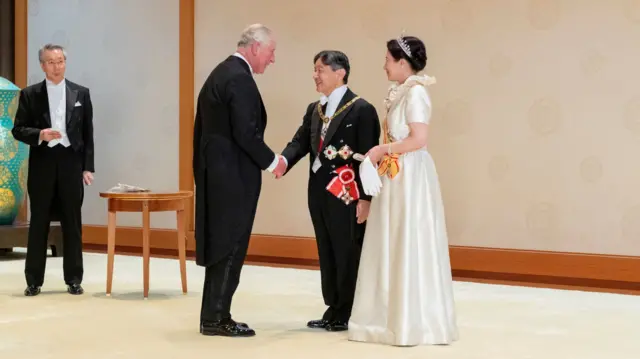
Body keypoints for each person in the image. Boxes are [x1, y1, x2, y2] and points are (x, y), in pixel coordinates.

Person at [347, 36, 459, 346]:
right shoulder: (400, 92)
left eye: (387, 59)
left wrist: (382, 149)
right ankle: (386, 315)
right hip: (396, 174)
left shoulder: (417, 93)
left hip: (410, 174)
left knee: (408, 237)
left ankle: (412, 320)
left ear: (401, 62)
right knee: (391, 238)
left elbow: (419, 138)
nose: (383, 64)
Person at [192, 24, 286, 337]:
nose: (272, 60)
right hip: (232, 177)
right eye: (271, 52)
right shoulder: (238, 78)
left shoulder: (220, 73)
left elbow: (200, 132)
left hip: (216, 174)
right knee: (231, 244)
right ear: (256, 47)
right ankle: (217, 318)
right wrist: (274, 161)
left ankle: (213, 315)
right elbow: (246, 133)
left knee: (221, 243)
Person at [279, 50, 380, 332]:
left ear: (340, 72)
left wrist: (365, 198)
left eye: (320, 69)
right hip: (318, 191)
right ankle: (332, 305)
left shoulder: (362, 109)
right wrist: (283, 161)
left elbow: (367, 158)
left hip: (346, 192)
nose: (315, 75)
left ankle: (347, 309)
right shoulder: (315, 109)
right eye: (314, 69)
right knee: (326, 248)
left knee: (347, 247)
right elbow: (300, 142)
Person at [11, 43, 94, 297]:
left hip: (70, 162)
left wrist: (87, 167)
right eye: (50, 62)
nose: (56, 66)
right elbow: (18, 129)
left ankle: (74, 279)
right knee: (39, 222)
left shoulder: (81, 93)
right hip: (43, 163)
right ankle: (34, 280)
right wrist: (40, 134)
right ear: (42, 65)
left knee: (72, 221)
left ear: (65, 63)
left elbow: (88, 133)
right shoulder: (30, 94)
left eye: (60, 61)